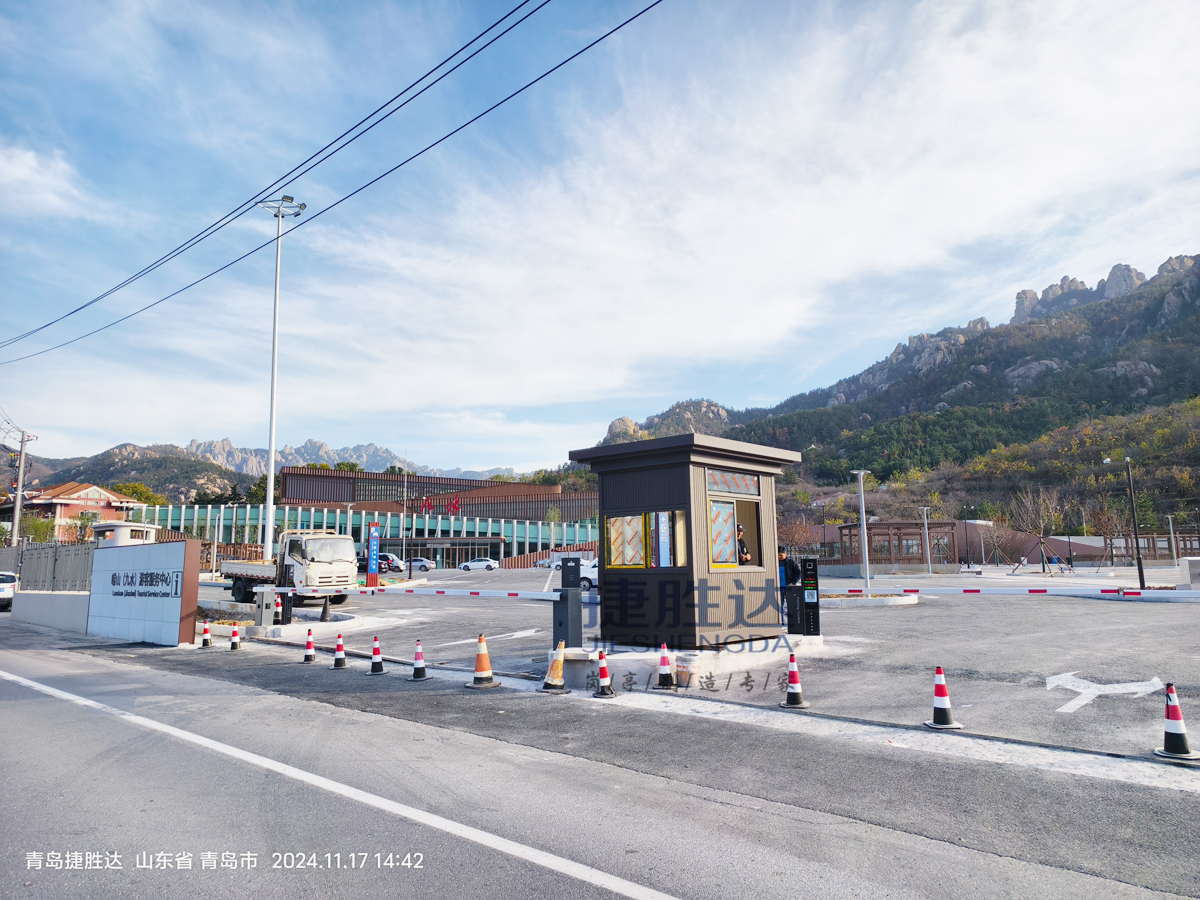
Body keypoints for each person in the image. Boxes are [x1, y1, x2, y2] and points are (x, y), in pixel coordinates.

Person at [778, 545, 801, 624]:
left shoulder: (791, 562)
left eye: (781, 555)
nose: (779, 557)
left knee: (791, 605)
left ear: (785, 554)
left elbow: (798, 573)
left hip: (789, 587)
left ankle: (792, 621)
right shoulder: (775, 563)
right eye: (778, 555)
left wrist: (793, 582)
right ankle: (781, 621)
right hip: (779, 588)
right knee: (780, 605)